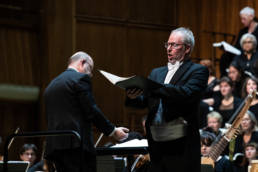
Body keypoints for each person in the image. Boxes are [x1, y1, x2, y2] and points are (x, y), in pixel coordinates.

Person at [125, 27, 209, 172]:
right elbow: (146, 101)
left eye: (174, 45)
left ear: (187, 48)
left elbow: (187, 94)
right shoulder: (156, 72)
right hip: (156, 143)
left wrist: (155, 87)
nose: (169, 49)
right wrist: (133, 96)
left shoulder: (198, 70)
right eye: (167, 44)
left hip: (181, 145)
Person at [44, 51, 129, 172]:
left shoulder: (51, 85)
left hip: (55, 148)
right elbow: (91, 110)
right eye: (90, 68)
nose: (91, 74)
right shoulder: (80, 79)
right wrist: (112, 131)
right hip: (76, 146)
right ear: (82, 62)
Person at [220, 7, 258, 77]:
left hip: (255, 53)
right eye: (241, 19)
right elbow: (237, 46)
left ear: (251, 17)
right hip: (242, 53)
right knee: (225, 56)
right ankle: (225, 79)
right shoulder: (242, 31)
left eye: (244, 19)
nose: (242, 21)